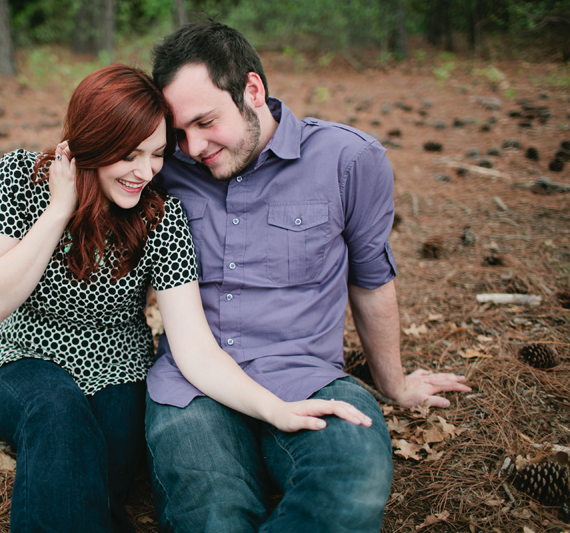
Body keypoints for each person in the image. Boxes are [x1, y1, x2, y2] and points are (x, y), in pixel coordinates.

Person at [0, 64, 373, 533]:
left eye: (157, 154)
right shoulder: (21, 177)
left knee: (103, 476)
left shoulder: (159, 218)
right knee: (57, 412)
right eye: (130, 154)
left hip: (119, 370)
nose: (145, 172)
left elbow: (195, 347)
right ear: (93, 142)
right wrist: (59, 210)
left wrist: (273, 408)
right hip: (27, 359)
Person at [145, 20, 473, 533]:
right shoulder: (163, 168)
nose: (194, 146)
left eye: (206, 121)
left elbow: (371, 280)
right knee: (211, 515)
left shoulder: (349, 160)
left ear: (252, 89)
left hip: (307, 377)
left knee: (352, 486)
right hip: (194, 387)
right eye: (179, 132)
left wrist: (394, 383)